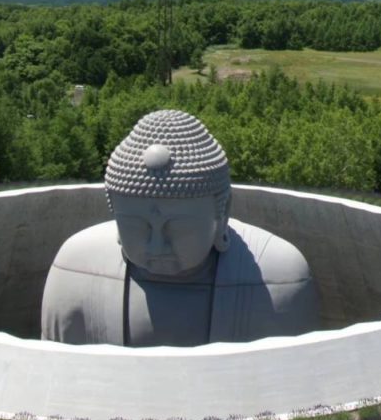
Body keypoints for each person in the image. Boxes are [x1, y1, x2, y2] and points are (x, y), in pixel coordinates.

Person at [41, 109, 319, 346]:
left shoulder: (278, 280)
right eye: (137, 227)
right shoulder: (75, 270)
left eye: (178, 229)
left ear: (222, 215)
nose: (156, 246)